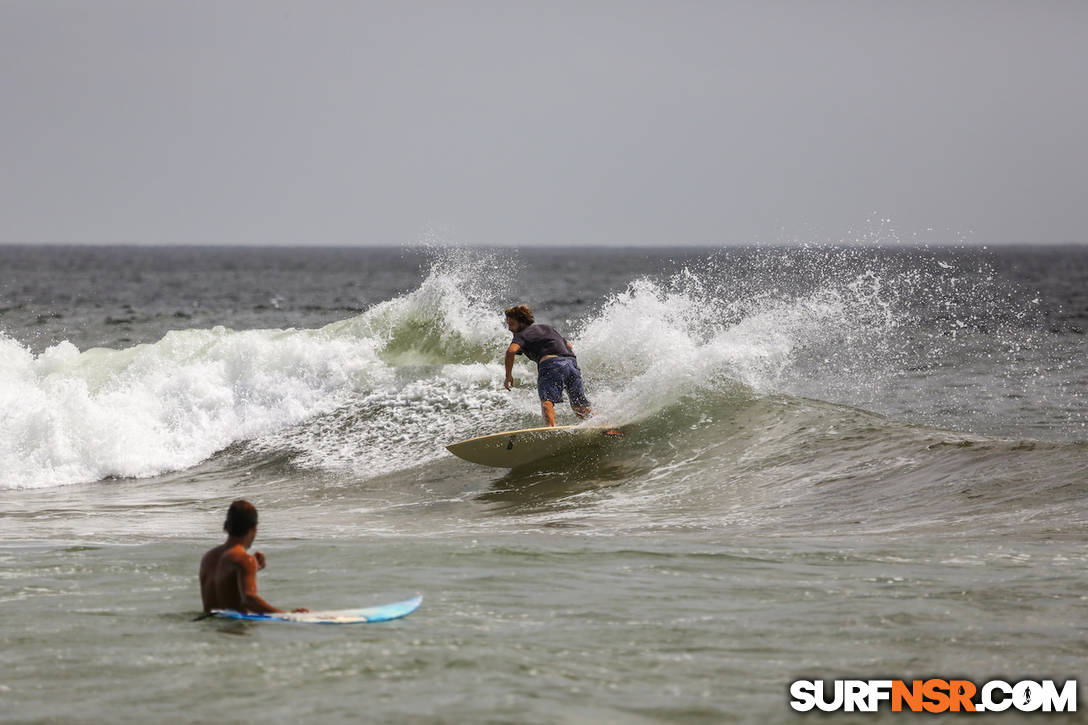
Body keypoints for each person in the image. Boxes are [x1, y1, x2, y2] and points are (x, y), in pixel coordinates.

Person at [199, 500, 307, 614]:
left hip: (209, 626)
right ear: (254, 529)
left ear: (227, 526)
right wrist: (285, 615)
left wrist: (252, 568)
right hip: (233, 629)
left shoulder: (208, 557)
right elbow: (249, 599)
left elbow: (224, 586)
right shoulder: (244, 560)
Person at [503, 304, 592, 426]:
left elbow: (511, 351)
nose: (509, 328)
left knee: (547, 402)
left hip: (552, 365)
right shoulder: (547, 328)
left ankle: (551, 431)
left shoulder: (522, 334)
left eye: (511, 324)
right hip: (571, 364)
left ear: (522, 322)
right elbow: (568, 345)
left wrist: (508, 376)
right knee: (579, 407)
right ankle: (604, 426)